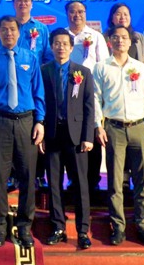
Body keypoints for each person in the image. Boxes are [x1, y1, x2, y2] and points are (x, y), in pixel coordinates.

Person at [0, 15, 45, 249]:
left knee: (28, 176)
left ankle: (25, 227)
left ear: (19, 32)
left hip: (27, 122)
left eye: (12, 29)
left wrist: (40, 121)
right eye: (4, 30)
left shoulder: (30, 58)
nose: (8, 33)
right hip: (0, 123)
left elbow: (38, 92)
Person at [93, 25, 144, 247]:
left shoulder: (139, 67)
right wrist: (98, 126)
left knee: (142, 180)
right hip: (114, 128)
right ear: (109, 41)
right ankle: (118, 227)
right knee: (115, 181)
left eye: (124, 37)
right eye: (115, 37)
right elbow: (96, 98)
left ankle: (143, 226)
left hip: (139, 127)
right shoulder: (101, 67)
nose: (120, 41)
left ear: (130, 42)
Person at [42, 29, 95, 250]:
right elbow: (40, 103)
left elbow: (89, 106)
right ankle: (58, 227)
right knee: (54, 183)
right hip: (52, 133)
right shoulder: (44, 71)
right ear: (51, 46)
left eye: (65, 43)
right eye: (57, 43)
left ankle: (83, 231)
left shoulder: (83, 72)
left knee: (80, 184)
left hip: (76, 136)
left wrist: (88, 136)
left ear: (72, 48)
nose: (61, 47)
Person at [9, 0, 54, 189]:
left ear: (32, 4)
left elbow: (48, 57)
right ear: (14, 3)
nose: (23, 4)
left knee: (38, 127)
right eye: (19, 1)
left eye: (26, 1)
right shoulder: (8, 26)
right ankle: (13, 175)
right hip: (12, 85)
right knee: (12, 130)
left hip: (35, 86)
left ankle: (39, 174)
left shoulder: (41, 29)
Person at [64, 1, 108, 193]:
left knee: (92, 134)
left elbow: (103, 65)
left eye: (80, 11)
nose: (77, 15)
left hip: (91, 93)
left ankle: (93, 179)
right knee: (71, 137)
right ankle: (73, 178)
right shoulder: (62, 36)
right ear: (67, 14)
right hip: (68, 94)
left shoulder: (95, 36)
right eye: (72, 12)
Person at [104, 3, 144, 69]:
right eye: (118, 14)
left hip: (136, 73)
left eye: (125, 14)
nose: (123, 17)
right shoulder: (104, 38)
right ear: (112, 18)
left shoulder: (139, 37)